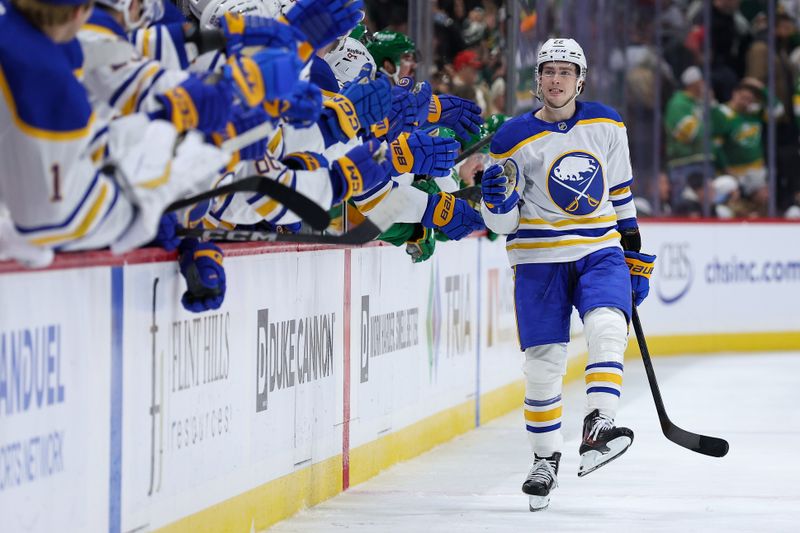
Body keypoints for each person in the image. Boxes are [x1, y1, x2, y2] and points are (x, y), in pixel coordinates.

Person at [480, 38, 656, 511]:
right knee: (543, 365)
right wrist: (494, 203)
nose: (555, 79)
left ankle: (600, 423)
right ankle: (544, 460)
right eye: (548, 70)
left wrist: (632, 246)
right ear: (536, 79)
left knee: (607, 325)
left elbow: (620, 192)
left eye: (565, 70)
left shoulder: (606, 123)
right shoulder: (511, 139)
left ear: (581, 78)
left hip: (599, 249)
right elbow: (501, 224)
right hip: (537, 260)